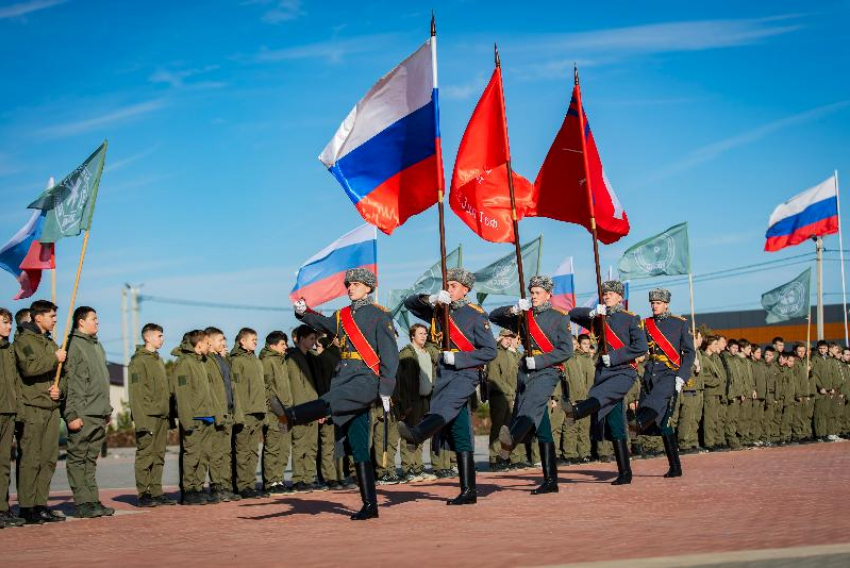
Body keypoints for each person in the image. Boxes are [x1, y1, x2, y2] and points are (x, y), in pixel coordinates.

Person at [273, 268, 399, 521]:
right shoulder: (342, 316)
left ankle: (291, 416)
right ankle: (370, 505)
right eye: (348, 284)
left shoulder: (379, 315)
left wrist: (386, 388)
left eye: (355, 284)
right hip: (345, 375)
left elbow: (389, 354)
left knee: (333, 400)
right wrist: (303, 312)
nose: (350, 288)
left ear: (368, 287)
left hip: (366, 378)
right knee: (358, 441)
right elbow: (324, 324)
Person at [398, 268, 497, 505]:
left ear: (466, 289)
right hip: (444, 375)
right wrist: (431, 299)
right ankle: (468, 491)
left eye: (454, 285)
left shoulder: (476, 315)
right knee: (459, 430)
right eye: (448, 285)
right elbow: (409, 303)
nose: (450, 289)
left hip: (465, 374)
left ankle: (417, 434)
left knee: (443, 406)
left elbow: (489, 351)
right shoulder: (439, 309)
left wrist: (460, 359)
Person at [489, 275, 574, 494]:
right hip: (527, 374)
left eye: (538, 292)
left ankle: (511, 440)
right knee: (542, 426)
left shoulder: (559, 318)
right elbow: (493, 316)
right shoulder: (523, 315)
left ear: (548, 295)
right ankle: (551, 480)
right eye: (532, 292)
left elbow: (565, 350)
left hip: (547, 370)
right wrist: (514, 309)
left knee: (530, 407)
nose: (534, 296)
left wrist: (539, 360)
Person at [568, 281, 647, 485]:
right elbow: (573, 313)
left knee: (600, 398)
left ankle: (577, 411)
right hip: (604, 373)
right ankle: (625, 471)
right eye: (605, 294)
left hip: (623, 372)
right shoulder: (599, 317)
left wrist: (615, 357)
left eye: (611, 293)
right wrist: (593, 313)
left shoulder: (631, 319)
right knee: (614, 422)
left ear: (620, 297)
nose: (607, 296)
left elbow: (640, 347)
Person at [14, 300, 65, 524]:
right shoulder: (24, 340)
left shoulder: (50, 341)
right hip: (32, 406)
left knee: (48, 459)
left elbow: (62, 373)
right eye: (51, 316)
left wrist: (59, 390)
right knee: (31, 458)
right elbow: (29, 367)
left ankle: (40, 503)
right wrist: (54, 358)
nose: (54, 320)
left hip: (51, 407)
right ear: (38, 317)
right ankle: (26, 506)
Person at [61, 306, 115, 518]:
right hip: (83, 413)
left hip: (98, 411)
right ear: (81, 322)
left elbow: (102, 381)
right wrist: (71, 415)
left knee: (90, 460)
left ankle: (92, 500)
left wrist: (107, 409)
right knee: (78, 458)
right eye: (94, 319)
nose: (97, 322)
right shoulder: (74, 346)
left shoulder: (97, 346)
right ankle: (82, 502)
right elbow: (72, 384)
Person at [129, 323, 176, 507]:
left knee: (159, 455)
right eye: (159, 335)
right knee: (145, 455)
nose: (162, 339)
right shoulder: (138, 361)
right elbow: (136, 393)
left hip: (161, 416)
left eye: (162, 336)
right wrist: (141, 421)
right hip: (147, 416)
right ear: (147, 337)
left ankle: (156, 491)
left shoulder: (158, 360)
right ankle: (144, 494)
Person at [171, 329, 215, 505]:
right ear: (198, 346)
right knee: (192, 455)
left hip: (206, 415)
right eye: (206, 343)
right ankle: (189, 490)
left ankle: (198, 487)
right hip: (193, 417)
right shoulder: (184, 364)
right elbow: (182, 395)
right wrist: (186, 419)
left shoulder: (201, 362)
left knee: (203, 455)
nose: (209, 345)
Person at [396, 324, 440, 481]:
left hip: (425, 400)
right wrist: (405, 404)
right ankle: (408, 470)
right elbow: (403, 382)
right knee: (408, 434)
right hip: (412, 400)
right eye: (420, 333)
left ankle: (418, 467)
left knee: (421, 434)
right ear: (412, 336)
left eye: (425, 333)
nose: (424, 336)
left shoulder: (427, 352)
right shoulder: (407, 354)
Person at [203, 327, 241, 502]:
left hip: (228, 410)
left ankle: (225, 485)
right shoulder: (207, 361)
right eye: (220, 340)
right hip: (217, 412)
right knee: (216, 452)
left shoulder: (223, 360)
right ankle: (217, 485)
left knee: (226, 452)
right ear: (209, 341)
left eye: (224, 340)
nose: (224, 343)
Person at [285, 325, 322, 493]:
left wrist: (320, 409)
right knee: (300, 444)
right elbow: (296, 386)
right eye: (311, 338)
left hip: (314, 406)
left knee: (312, 445)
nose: (314, 342)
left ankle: (308, 477)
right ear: (301, 339)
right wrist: (303, 410)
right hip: (302, 408)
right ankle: (298, 479)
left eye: (315, 339)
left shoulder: (312, 358)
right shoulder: (293, 358)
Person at [230, 328, 267, 498]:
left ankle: (250, 484)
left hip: (258, 412)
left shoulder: (256, 360)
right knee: (243, 451)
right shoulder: (237, 361)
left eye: (256, 339)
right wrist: (240, 414)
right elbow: (237, 389)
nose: (256, 342)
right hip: (245, 413)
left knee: (253, 451)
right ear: (242, 341)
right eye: (253, 339)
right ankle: (243, 485)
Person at [0, 308, 24, 528]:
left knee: (4, 463)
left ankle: (3, 508)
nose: (9, 326)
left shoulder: (9, 351)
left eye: (9, 323)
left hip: (8, 411)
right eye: (5, 322)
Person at [259, 331, 292, 494]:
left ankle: (279, 479)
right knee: (273, 447)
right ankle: (271, 481)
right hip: (274, 412)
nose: (285, 347)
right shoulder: (267, 361)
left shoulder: (282, 361)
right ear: (272, 345)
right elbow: (267, 388)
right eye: (282, 344)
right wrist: (278, 409)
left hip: (285, 412)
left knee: (284, 447)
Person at [485, 329, 521, 471]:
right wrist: (509, 391)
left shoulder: (509, 354)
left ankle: (504, 457)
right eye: (506, 338)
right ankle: (494, 459)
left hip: (511, 396)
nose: (508, 340)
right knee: (498, 428)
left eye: (510, 338)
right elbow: (494, 378)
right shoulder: (494, 353)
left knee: (508, 429)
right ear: (500, 338)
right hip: (499, 396)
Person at [561, 334, 594, 464]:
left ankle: (584, 453)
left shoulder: (578, 359)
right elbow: (566, 380)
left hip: (584, 398)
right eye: (572, 344)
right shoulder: (567, 359)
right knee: (571, 427)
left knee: (584, 428)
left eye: (575, 345)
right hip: (572, 398)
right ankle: (570, 453)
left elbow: (585, 380)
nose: (574, 347)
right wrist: (571, 398)